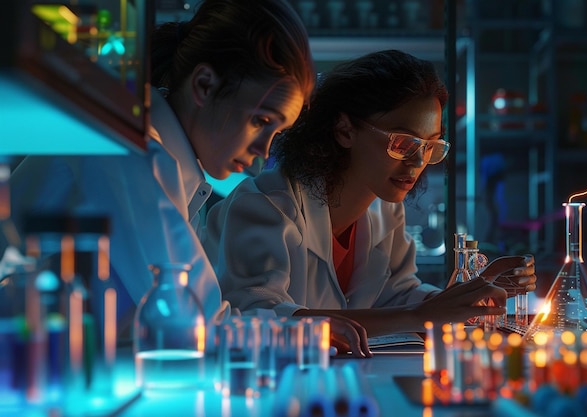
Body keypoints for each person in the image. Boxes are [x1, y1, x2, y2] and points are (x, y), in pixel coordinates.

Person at [4, 0, 316, 330]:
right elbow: (190, 321)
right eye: (260, 120)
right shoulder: (128, 143)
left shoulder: (171, 167)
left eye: (276, 132)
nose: (262, 152)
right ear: (204, 85)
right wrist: (301, 328)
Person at [204, 50, 537, 357]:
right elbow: (256, 317)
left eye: (431, 147)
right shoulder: (266, 207)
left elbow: (398, 294)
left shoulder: (384, 209)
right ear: (345, 130)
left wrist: (470, 298)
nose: (417, 162)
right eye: (404, 143)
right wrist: (420, 315)